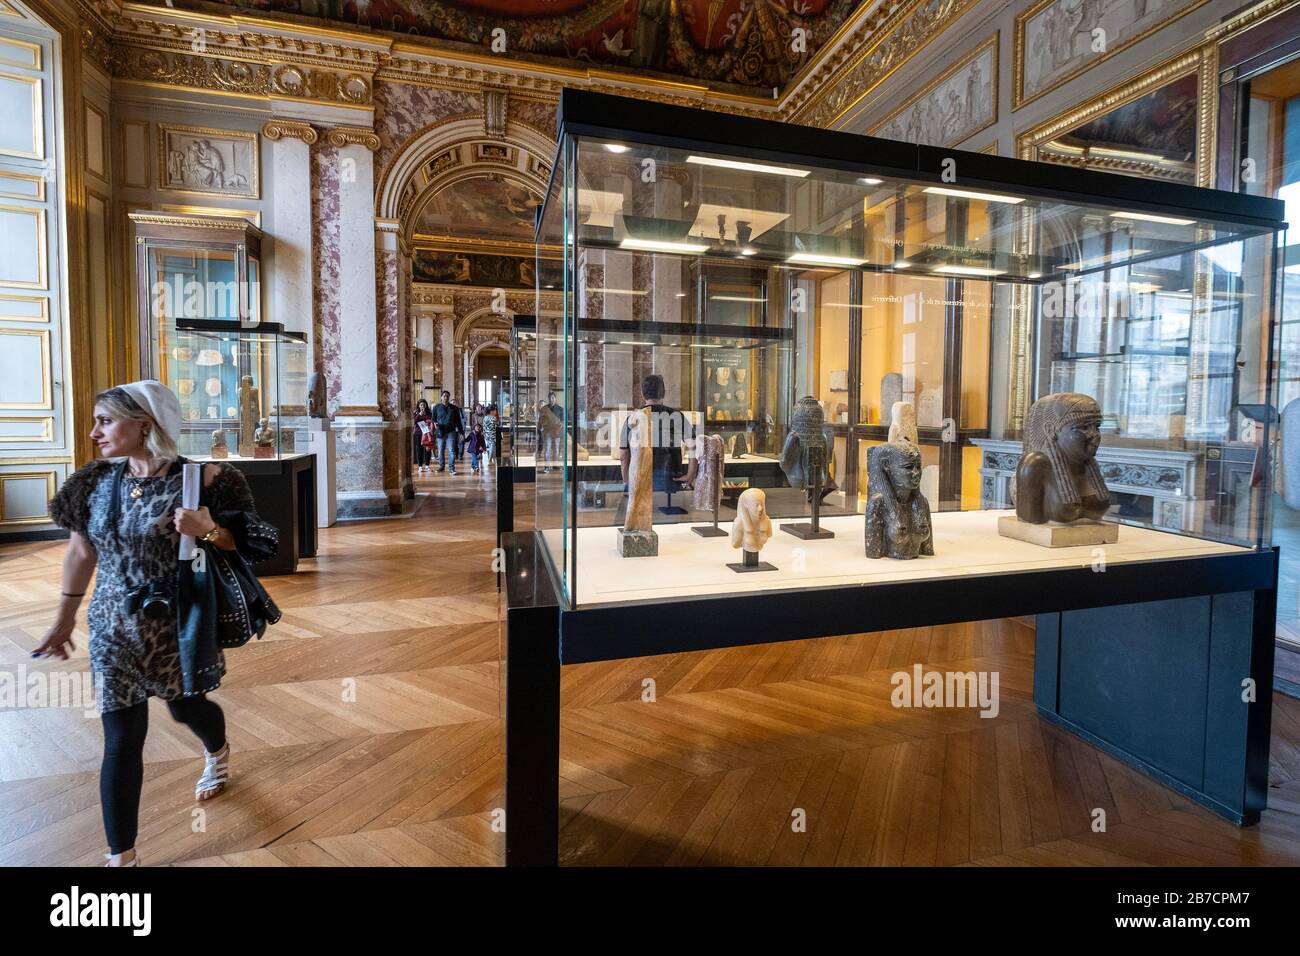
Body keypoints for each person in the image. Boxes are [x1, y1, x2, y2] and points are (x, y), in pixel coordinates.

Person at [36, 380, 278, 867]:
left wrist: (209, 529)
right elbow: (81, 551)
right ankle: (121, 858)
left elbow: (258, 542)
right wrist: (63, 620)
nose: (92, 432)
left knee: (186, 709)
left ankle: (218, 749)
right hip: (112, 626)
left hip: (177, 623)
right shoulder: (94, 481)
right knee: (122, 740)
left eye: (105, 421)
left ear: (144, 424)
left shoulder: (208, 478)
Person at [619, 373, 694, 509]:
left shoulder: (632, 419)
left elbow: (623, 456)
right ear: (663, 393)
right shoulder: (676, 416)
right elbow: (694, 447)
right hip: (670, 479)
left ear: (642, 394)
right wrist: (690, 474)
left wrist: (627, 480)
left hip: (641, 479)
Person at [431, 389, 463, 475]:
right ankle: (441, 466)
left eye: (447, 396)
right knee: (441, 450)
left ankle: (451, 468)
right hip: (440, 432)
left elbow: (458, 422)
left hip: (451, 432)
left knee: (451, 450)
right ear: (441, 397)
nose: (446, 398)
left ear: (449, 398)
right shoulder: (436, 407)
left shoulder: (454, 408)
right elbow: (433, 419)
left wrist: (461, 433)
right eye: (444, 396)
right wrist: (435, 425)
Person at [538, 391, 565, 473]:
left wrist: (561, 429)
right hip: (547, 432)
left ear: (555, 398)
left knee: (556, 449)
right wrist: (541, 429)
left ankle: (556, 465)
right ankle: (546, 466)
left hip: (557, 432)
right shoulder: (544, 409)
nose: (551, 399)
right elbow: (540, 421)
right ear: (548, 398)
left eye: (552, 397)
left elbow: (563, 421)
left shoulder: (561, 409)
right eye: (550, 398)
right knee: (547, 449)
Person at [412, 398, 434, 475]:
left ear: (426, 405)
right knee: (419, 450)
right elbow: (414, 422)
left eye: (424, 405)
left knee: (427, 449)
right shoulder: (415, 413)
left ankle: (427, 465)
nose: (423, 406)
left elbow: (432, 422)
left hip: (427, 434)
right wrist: (419, 415)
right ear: (419, 406)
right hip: (418, 434)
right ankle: (420, 466)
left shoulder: (429, 414)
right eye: (421, 405)